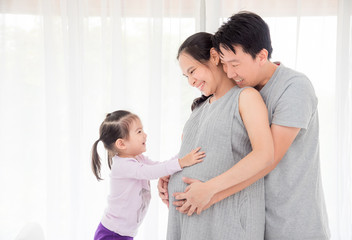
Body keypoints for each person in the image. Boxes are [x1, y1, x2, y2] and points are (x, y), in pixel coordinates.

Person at [161, 11, 330, 240]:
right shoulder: (238, 92)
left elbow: (266, 160)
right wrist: (175, 169)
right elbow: (222, 145)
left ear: (261, 56)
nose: (229, 72)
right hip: (255, 219)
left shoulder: (294, 88)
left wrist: (209, 194)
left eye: (234, 64)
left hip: (293, 222)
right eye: (224, 64)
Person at [166, 32, 274, 240]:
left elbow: (264, 154)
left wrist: (208, 189)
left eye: (192, 71)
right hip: (190, 223)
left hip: (228, 222)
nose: (191, 81)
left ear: (214, 57)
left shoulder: (246, 98)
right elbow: (197, 154)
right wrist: (169, 173)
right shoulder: (199, 109)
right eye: (186, 76)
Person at [91, 110, 205, 240]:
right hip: (111, 234)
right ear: (121, 144)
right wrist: (182, 162)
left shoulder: (138, 159)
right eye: (139, 132)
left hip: (125, 234)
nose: (145, 135)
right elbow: (152, 172)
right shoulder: (122, 166)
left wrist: (183, 152)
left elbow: (160, 166)